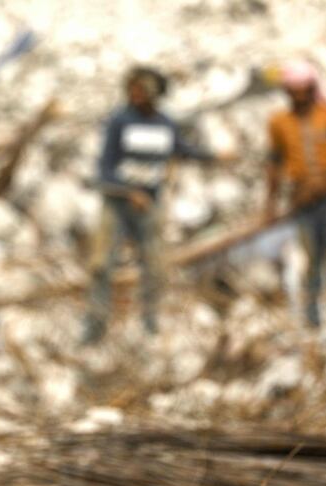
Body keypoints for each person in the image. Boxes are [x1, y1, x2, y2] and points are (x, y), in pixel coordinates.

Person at [82, 65, 226, 343]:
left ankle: (150, 319)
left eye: (141, 91)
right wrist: (128, 192)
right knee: (102, 263)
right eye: (132, 90)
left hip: (150, 203)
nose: (136, 96)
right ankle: (96, 323)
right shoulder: (119, 122)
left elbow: (181, 149)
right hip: (118, 203)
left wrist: (214, 156)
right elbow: (105, 169)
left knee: (154, 264)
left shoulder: (164, 124)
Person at [266, 60, 326, 327]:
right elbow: (274, 164)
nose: (299, 96)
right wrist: (270, 206)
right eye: (293, 90)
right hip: (303, 199)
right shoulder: (279, 123)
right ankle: (314, 318)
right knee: (312, 259)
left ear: (311, 90)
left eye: (303, 90)